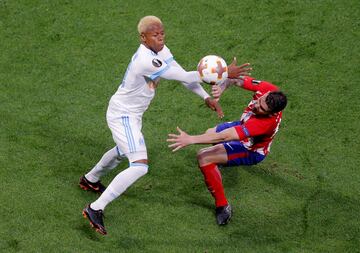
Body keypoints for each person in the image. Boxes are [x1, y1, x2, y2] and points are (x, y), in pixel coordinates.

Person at [79, 15, 251, 235]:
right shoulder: (145, 60)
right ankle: (95, 208)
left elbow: (182, 76)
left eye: (162, 34)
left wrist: (205, 97)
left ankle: (90, 179)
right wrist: (224, 72)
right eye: (155, 35)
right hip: (123, 116)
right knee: (139, 165)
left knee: (123, 151)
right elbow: (184, 75)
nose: (160, 38)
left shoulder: (160, 51)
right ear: (143, 37)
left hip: (131, 114)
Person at [167, 75, 287, 225]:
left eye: (262, 108)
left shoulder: (263, 124)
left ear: (271, 113)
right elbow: (236, 79)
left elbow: (225, 137)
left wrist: (191, 139)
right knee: (210, 132)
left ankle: (222, 205)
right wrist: (222, 88)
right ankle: (221, 160)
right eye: (259, 100)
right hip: (243, 125)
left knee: (203, 156)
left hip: (250, 148)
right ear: (267, 94)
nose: (256, 105)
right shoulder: (269, 90)